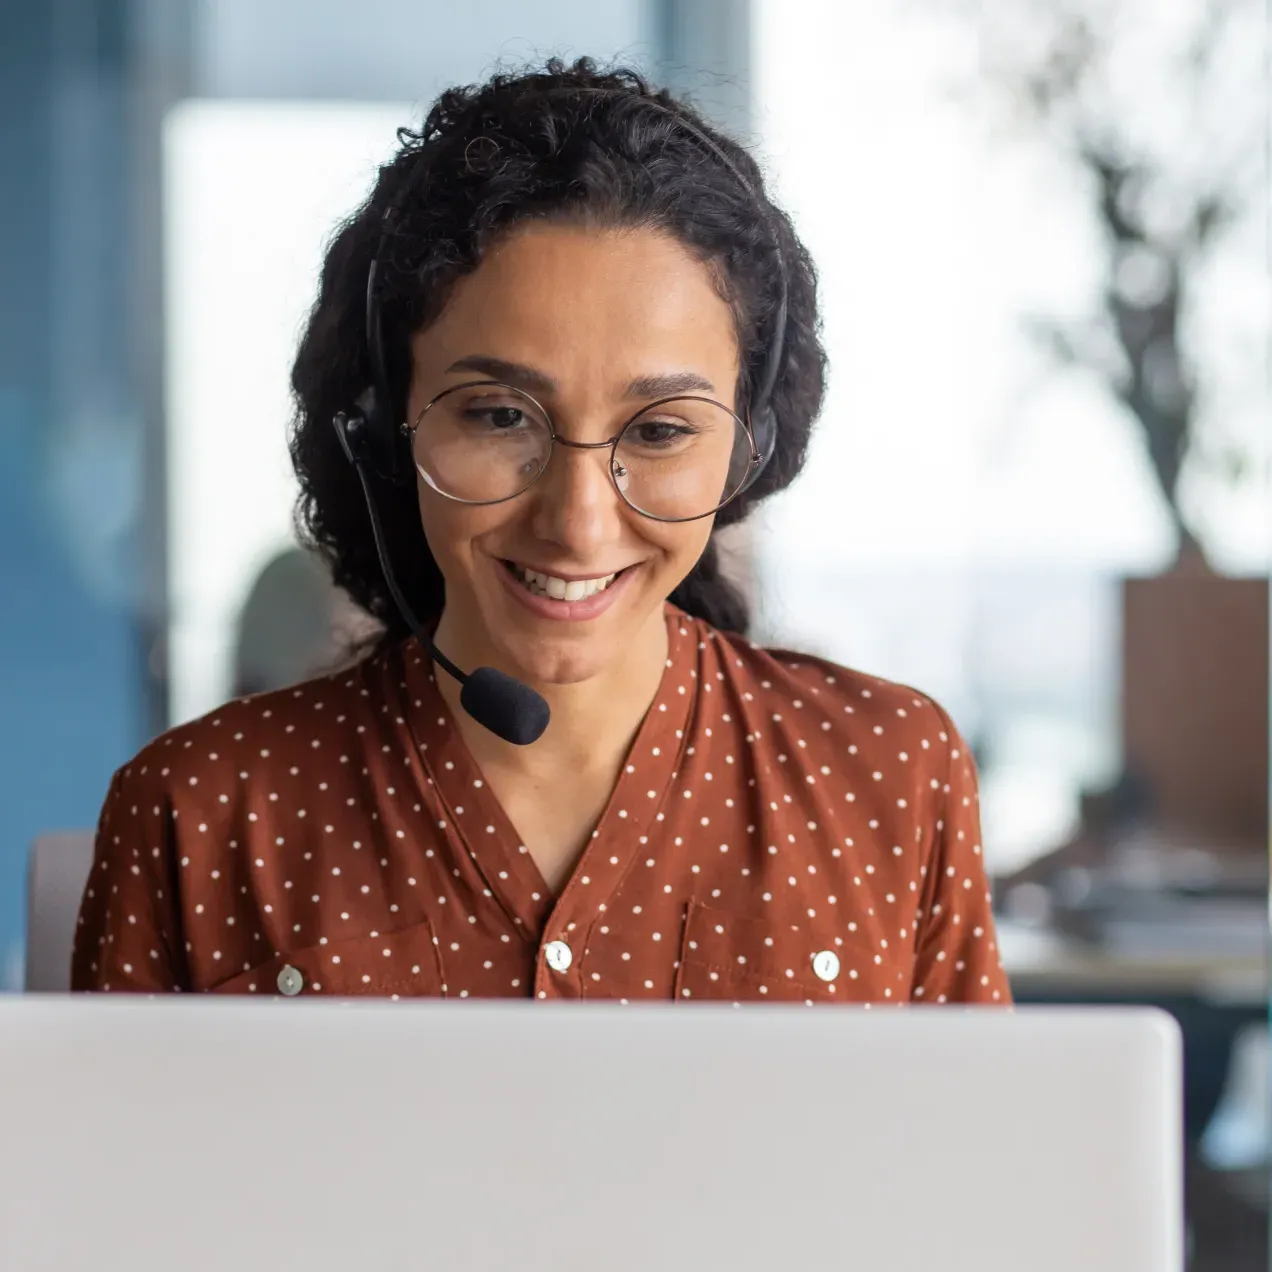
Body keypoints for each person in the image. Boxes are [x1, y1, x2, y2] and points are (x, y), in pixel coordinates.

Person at [72, 59, 1010, 1006]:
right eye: (498, 416)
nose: (577, 521)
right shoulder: (200, 813)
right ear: (378, 429)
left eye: (660, 431)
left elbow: (985, 1153)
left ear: (747, 448)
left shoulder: (891, 774)